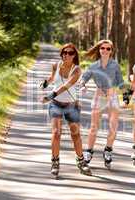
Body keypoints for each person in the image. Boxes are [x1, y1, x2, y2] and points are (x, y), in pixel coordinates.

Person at [41, 43, 91, 176]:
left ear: (74, 55)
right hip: (56, 104)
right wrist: (46, 82)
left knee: (75, 135)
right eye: (64, 52)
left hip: (71, 106)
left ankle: (81, 161)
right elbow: (52, 78)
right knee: (56, 133)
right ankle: (55, 162)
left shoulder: (77, 70)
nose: (66, 55)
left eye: (70, 53)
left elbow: (67, 85)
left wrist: (51, 95)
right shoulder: (56, 65)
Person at [79, 39, 124, 169]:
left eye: (108, 49)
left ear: (111, 51)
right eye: (102, 48)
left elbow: (120, 82)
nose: (105, 50)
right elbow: (84, 78)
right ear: (99, 50)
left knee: (113, 127)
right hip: (99, 97)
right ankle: (88, 152)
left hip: (113, 97)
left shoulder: (115, 65)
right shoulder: (93, 66)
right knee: (94, 127)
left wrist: (126, 95)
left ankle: (108, 150)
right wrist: (82, 86)